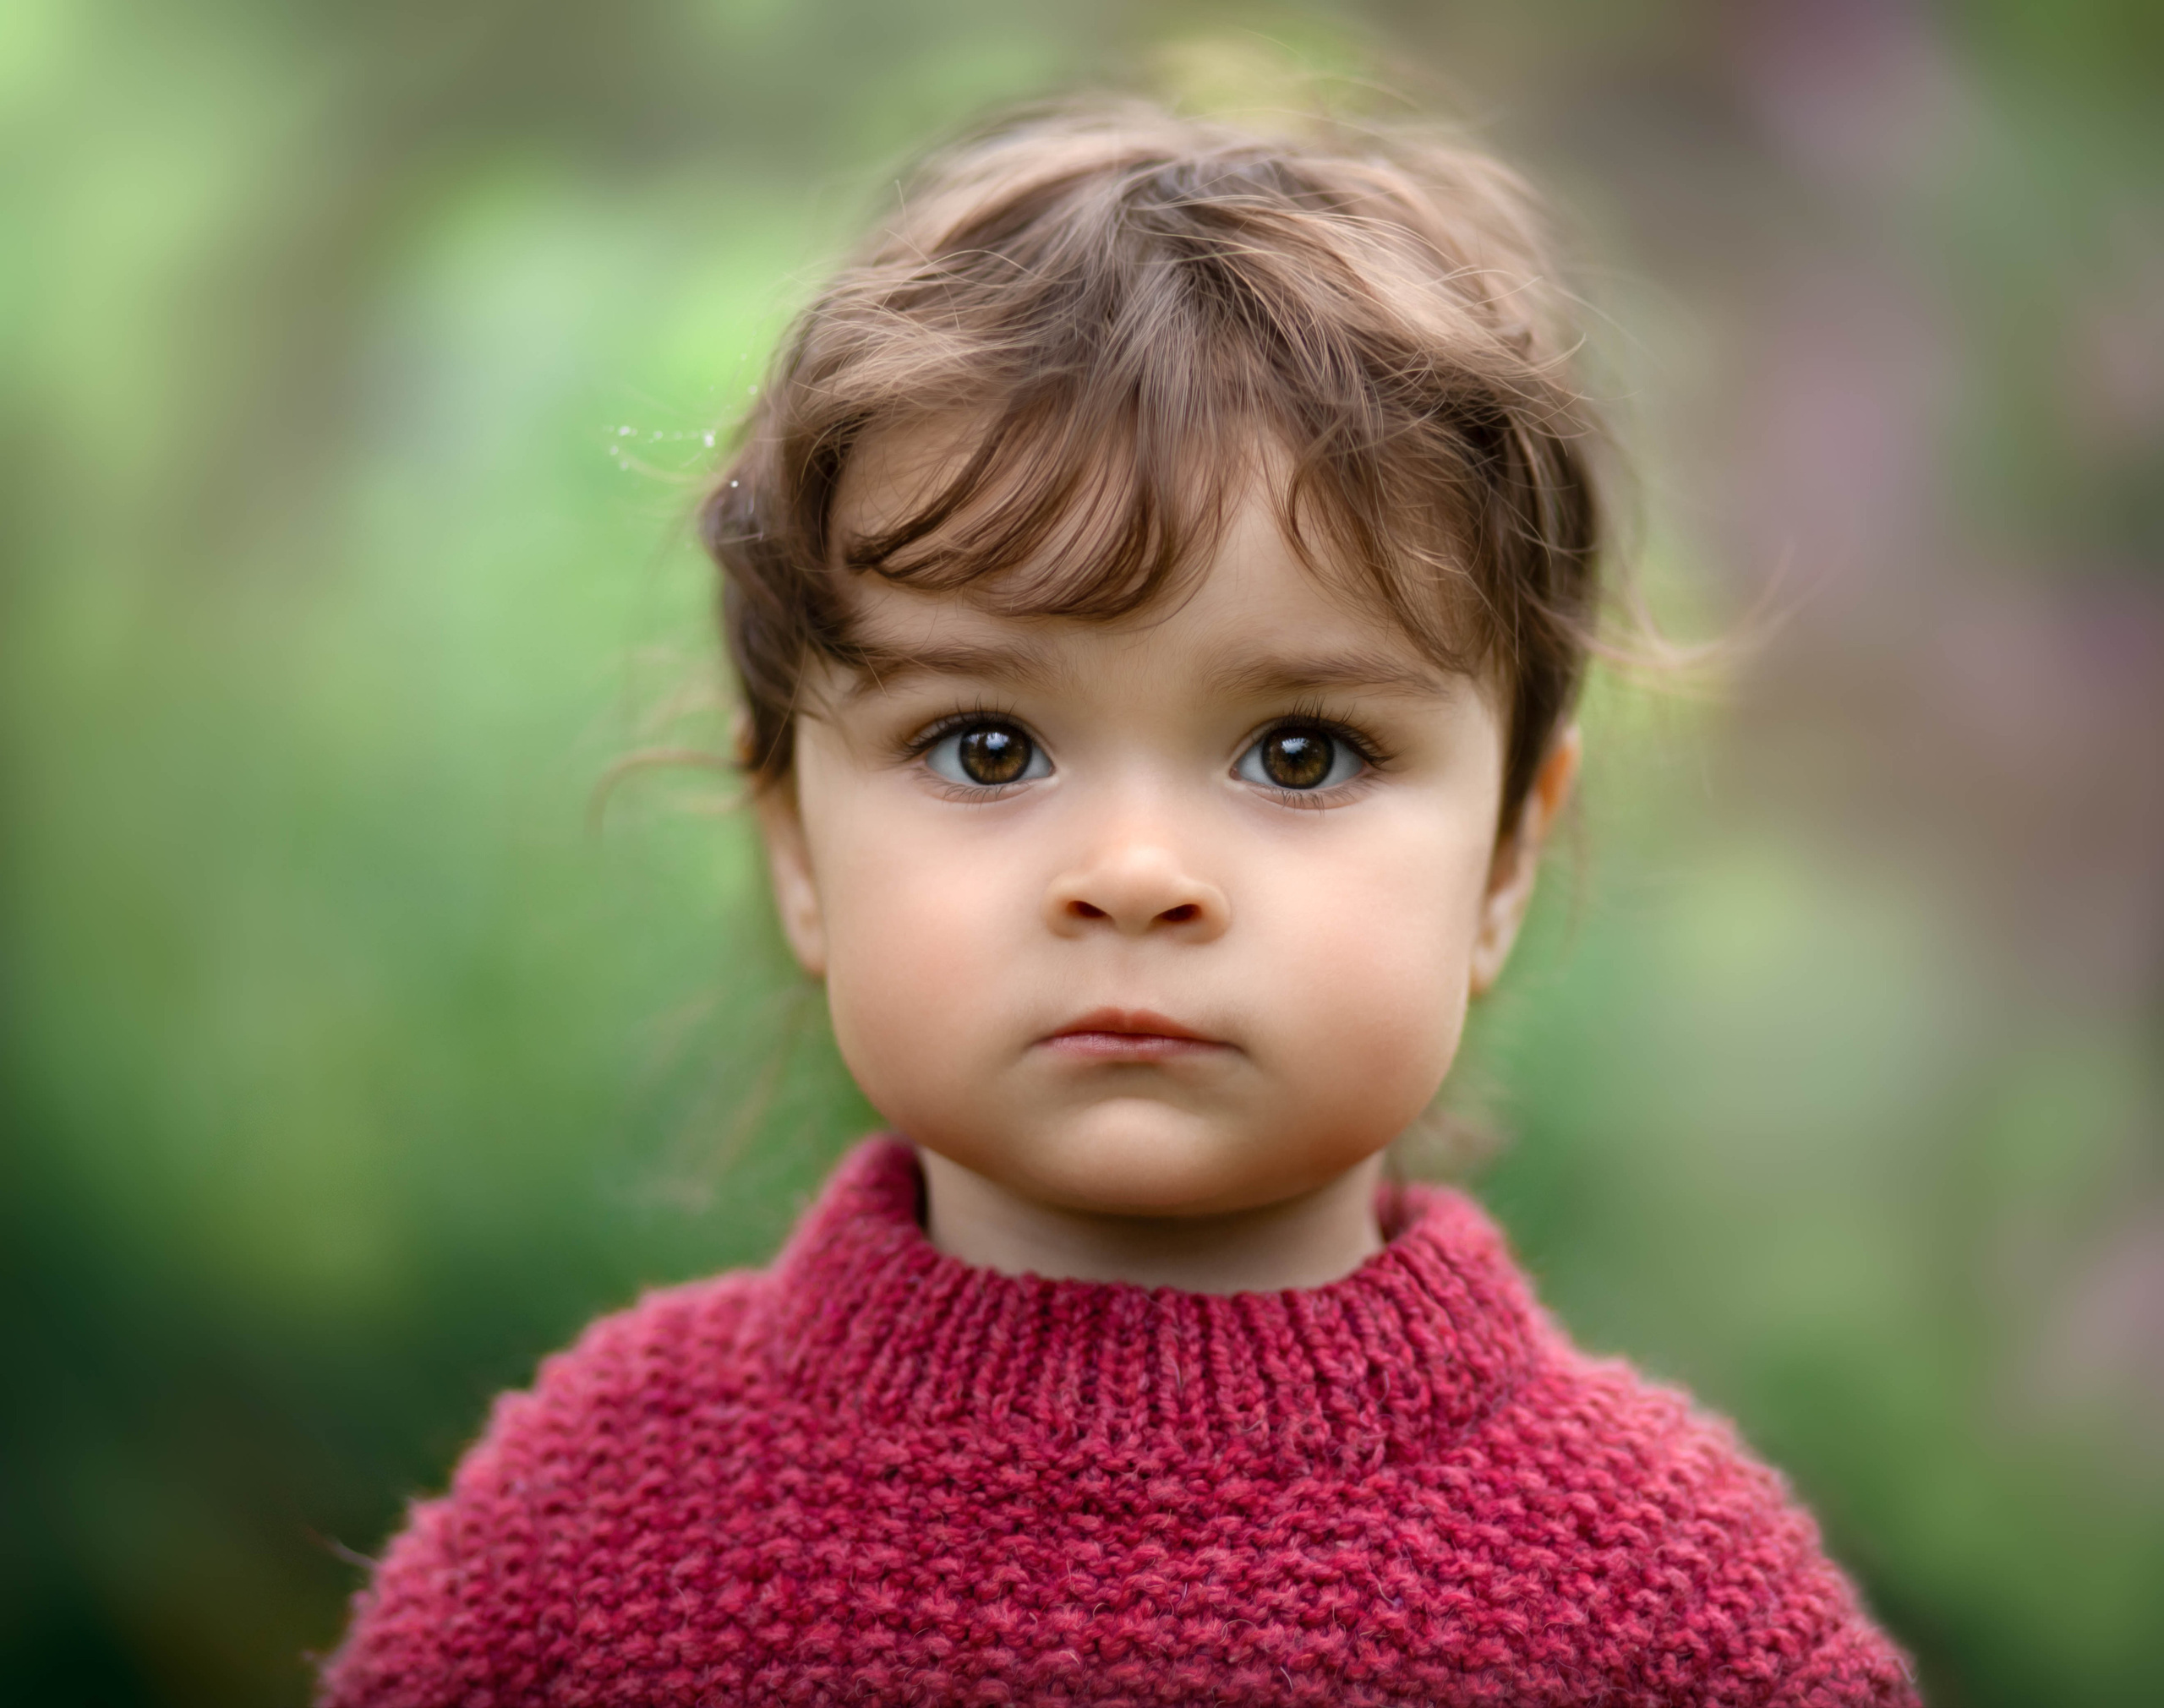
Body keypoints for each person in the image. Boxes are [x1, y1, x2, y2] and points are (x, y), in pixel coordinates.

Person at [318, 99, 1920, 1706]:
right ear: (795, 845)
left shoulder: (1659, 1602)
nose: (1138, 874)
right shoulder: (592, 1529)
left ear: (1507, 857)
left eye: (1302, 752)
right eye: (988, 744)